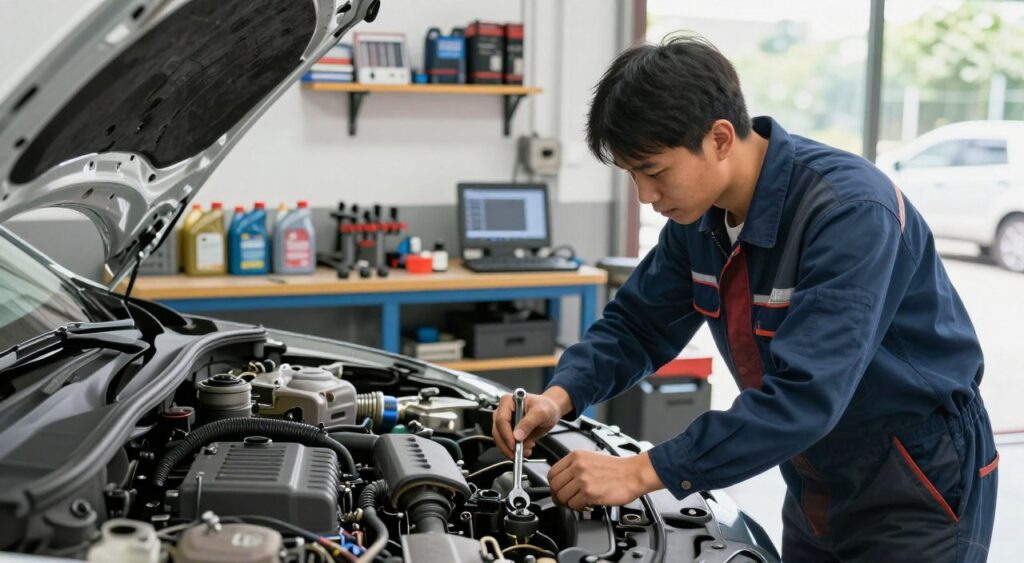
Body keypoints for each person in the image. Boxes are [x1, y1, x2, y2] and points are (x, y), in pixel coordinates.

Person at [491, 36, 998, 562]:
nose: (645, 195)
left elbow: (805, 395)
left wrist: (642, 472)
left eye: (655, 171)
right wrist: (560, 396)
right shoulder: (700, 218)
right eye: (631, 175)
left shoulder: (848, 212)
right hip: (813, 468)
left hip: (915, 474)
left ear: (720, 138)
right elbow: (637, 325)